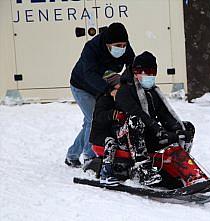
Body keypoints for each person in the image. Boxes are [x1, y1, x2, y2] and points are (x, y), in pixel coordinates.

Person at [99, 51, 195, 186]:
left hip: (148, 134)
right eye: (145, 72)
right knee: (135, 120)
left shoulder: (153, 92)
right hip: (124, 137)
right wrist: (158, 130)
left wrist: (177, 130)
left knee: (187, 127)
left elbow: (165, 113)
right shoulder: (124, 91)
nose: (149, 76)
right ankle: (143, 169)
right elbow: (138, 113)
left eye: (152, 72)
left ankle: (179, 167)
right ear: (136, 72)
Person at [65, 22, 135, 167]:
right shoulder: (91, 48)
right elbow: (89, 74)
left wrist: (129, 83)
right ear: (107, 44)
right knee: (94, 120)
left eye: (124, 45)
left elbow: (131, 66)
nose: (122, 48)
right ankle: (90, 158)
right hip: (82, 86)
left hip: (103, 85)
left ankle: (72, 155)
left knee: (88, 123)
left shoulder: (124, 47)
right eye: (118, 45)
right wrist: (110, 90)